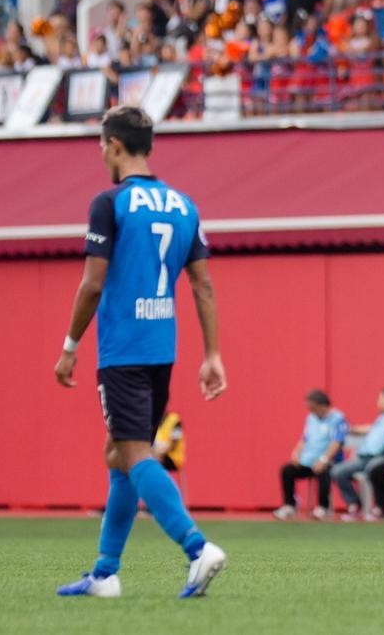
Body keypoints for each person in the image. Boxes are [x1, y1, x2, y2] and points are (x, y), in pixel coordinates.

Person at [52, 105, 227, 599]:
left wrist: (69, 347)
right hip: (161, 349)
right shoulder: (184, 205)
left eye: (101, 145)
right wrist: (212, 354)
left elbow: (92, 285)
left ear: (113, 145)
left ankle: (197, 548)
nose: (100, 153)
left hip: (122, 349)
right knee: (119, 453)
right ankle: (105, 573)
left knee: (134, 453)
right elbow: (203, 285)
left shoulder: (109, 203)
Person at [274, 390, 348, 520]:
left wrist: (324, 459)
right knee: (287, 470)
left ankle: (323, 507)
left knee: (324, 470)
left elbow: (337, 442)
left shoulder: (338, 419)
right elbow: (305, 438)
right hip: (308, 461)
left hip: (329, 461)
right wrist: (297, 452)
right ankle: (289, 505)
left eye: (313, 408)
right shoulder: (311, 418)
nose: (311, 411)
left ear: (322, 405)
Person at [330, 387, 384, 521]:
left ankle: (380, 507)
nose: (378, 402)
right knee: (337, 471)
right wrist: (353, 430)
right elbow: (371, 429)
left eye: (380, 399)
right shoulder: (381, 419)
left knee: (373, 470)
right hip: (363, 458)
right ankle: (354, 504)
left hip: (380, 457)